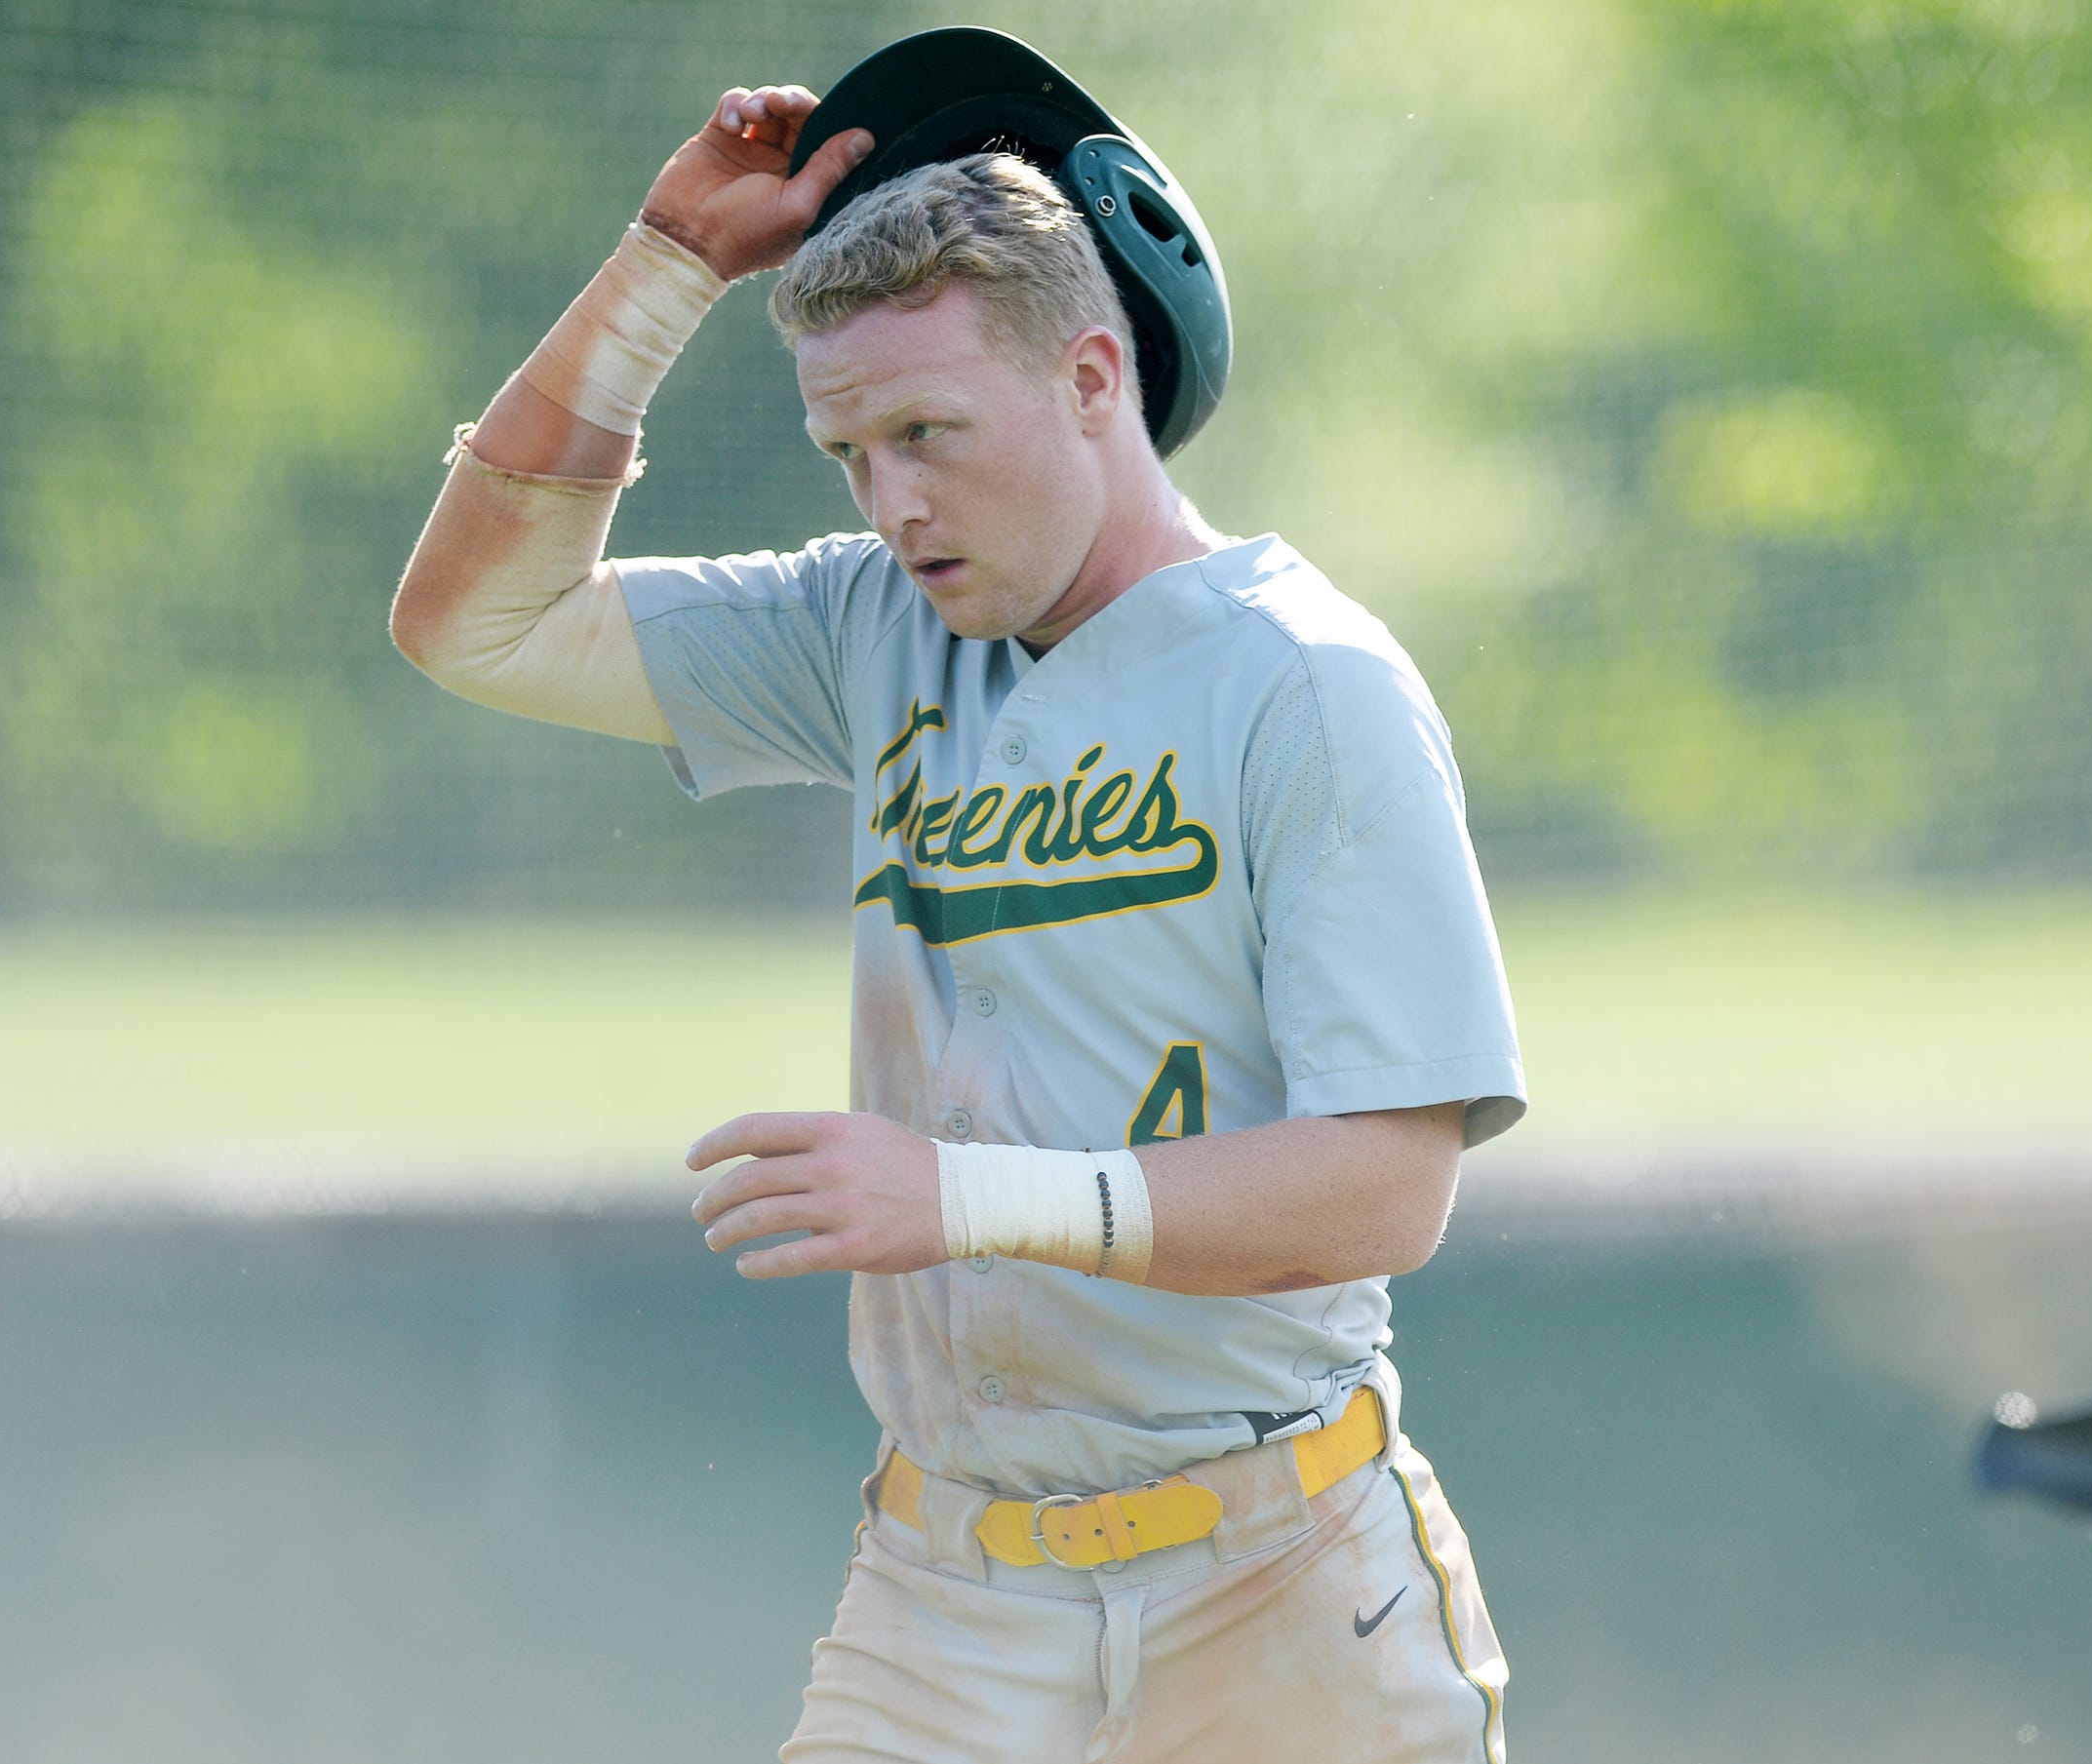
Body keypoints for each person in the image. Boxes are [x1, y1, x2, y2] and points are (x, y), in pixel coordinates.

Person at [386, 51, 1520, 1763]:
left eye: (926, 433)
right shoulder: (877, 627)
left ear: (1089, 378)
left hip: (1287, 1580)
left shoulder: (1311, 681)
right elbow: (471, 623)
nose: (889, 500)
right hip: (948, 1592)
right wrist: (665, 270)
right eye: (848, 450)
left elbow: (1391, 1182)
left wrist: (964, 1194)